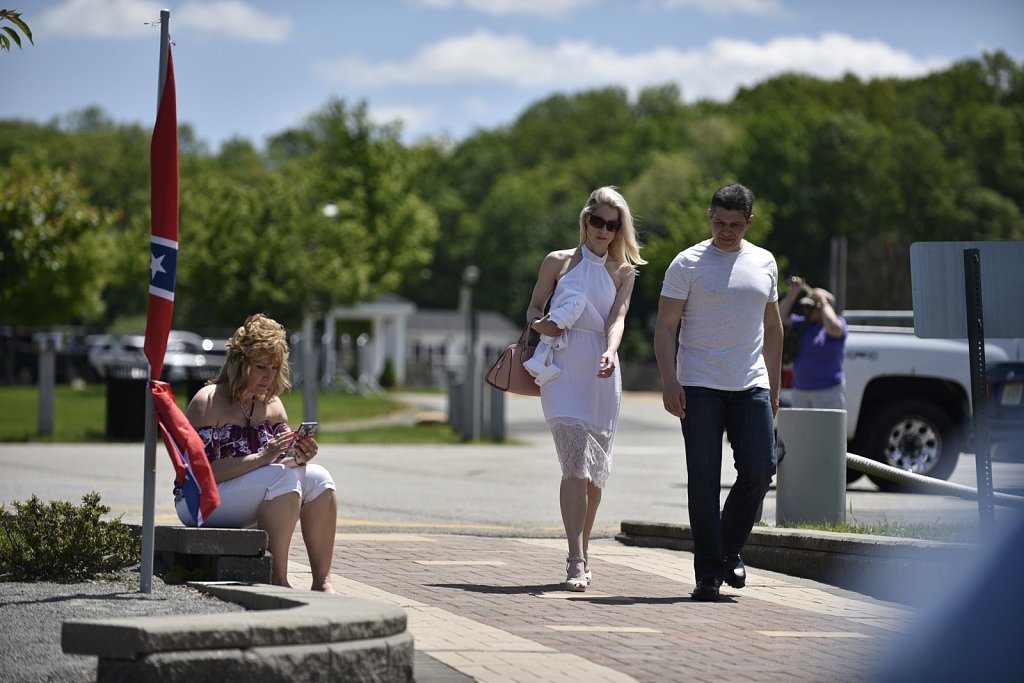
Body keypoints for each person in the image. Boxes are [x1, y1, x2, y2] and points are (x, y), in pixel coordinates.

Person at [653, 183, 783, 602]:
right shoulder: (686, 263)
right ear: (709, 216)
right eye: (719, 222)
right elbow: (666, 327)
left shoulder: (764, 261)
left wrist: (774, 386)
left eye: (735, 224)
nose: (726, 231)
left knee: (762, 469)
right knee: (704, 481)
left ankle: (727, 550)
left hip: (751, 384)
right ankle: (708, 573)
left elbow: (774, 328)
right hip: (699, 384)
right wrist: (670, 380)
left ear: (750, 221)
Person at [526, 186, 645, 592]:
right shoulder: (557, 262)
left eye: (613, 225)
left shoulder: (624, 272)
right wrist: (540, 323)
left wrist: (611, 351)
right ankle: (575, 558)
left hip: (600, 369)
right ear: (585, 220)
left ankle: (585, 548)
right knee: (573, 463)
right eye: (598, 222)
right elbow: (534, 307)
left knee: (594, 475)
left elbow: (618, 318)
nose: (604, 231)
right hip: (562, 366)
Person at [180, 313, 338, 593]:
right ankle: (279, 579)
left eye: (275, 367)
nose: (269, 376)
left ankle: (322, 581)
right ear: (240, 364)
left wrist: (300, 456)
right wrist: (262, 458)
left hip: (254, 492)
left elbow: (280, 462)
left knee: (319, 478)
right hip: (199, 501)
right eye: (260, 366)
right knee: (282, 478)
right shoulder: (208, 402)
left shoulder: (273, 405)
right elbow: (202, 473)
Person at [779, 276, 847, 409]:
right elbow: (780, 317)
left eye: (812, 307)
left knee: (826, 430)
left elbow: (833, 328)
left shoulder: (839, 323)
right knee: (803, 430)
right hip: (800, 391)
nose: (807, 311)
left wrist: (824, 302)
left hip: (829, 391)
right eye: (806, 307)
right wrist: (794, 292)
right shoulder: (802, 324)